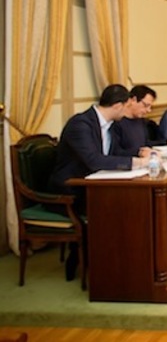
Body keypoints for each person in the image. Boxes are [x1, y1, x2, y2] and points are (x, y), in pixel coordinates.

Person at [49, 84, 150, 281]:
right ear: (118, 106)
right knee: (114, 209)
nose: (128, 110)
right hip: (70, 189)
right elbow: (94, 160)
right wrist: (136, 163)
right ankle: (92, 263)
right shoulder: (80, 124)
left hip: (94, 184)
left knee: (131, 204)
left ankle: (125, 261)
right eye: (127, 105)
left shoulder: (110, 125)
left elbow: (113, 153)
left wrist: (139, 152)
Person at [111, 84, 167, 158]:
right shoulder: (117, 122)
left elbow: (146, 143)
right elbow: (116, 152)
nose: (149, 110)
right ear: (133, 100)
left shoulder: (141, 121)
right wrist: (139, 153)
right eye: (146, 105)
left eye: (150, 107)